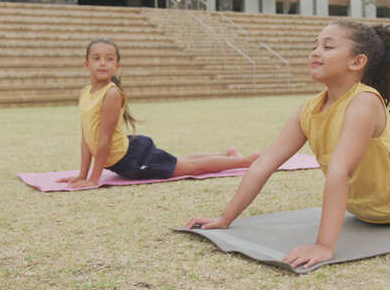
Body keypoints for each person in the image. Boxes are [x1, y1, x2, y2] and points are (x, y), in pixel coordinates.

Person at [186, 19, 390, 269]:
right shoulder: (307, 110)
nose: (315, 51)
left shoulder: (364, 102)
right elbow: (264, 163)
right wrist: (224, 219)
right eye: (314, 45)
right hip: (377, 191)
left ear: (357, 62)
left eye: (328, 46)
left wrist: (324, 246)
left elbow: (340, 172)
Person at [58, 38, 259, 188]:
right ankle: (226, 153)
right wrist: (82, 175)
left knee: (190, 168)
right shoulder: (85, 93)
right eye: (97, 58)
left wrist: (94, 180)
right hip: (127, 153)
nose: (103, 63)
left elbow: (104, 140)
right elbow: (86, 138)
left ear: (117, 66)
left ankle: (245, 161)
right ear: (86, 64)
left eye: (109, 59)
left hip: (132, 160)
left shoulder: (110, 94)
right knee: (179, 161)